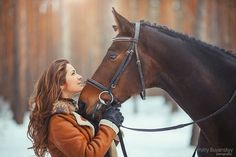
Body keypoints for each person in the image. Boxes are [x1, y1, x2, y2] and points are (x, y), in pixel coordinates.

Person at [27, 59, 124, 157]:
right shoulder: (58, 122)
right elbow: (88, 154)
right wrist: (108, 125)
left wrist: (108, 122)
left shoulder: (73, 115)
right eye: (73, 74)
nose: (80, 77)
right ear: (61, 84)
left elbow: (101, 150)